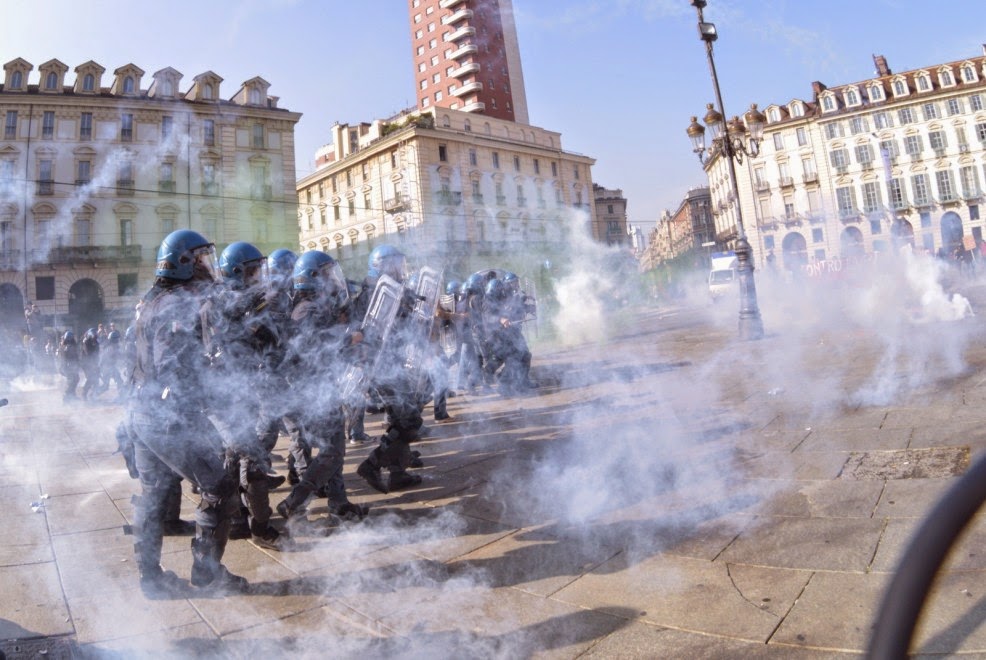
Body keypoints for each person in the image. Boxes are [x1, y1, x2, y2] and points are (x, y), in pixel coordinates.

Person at [128, 229, 247, 597]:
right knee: (221, 488)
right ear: (183, 264)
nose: (207, 267)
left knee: (153, 495)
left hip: (142, 412)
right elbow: (173, 366)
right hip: (167, 418)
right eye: (200, 260)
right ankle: (208, 573)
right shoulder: (177, 304)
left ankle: (150, 578)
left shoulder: (152, 300)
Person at [202, 241, 288, 550]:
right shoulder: (219, 301)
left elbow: (269, 341)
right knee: (252, 458)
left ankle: (236, 520)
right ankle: (260, 527)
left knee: (233, 457)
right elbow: (230, 310)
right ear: (239, 272)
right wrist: (259, 298)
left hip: (243, 393)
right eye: (254, 271)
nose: (259, 277)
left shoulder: (251, 305)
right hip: (223, 397)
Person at [277, 250, 368, 526]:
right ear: (313, 278)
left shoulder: (317, 306)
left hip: (321, 386)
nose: (332, 279)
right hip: (309, 390)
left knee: (334, 446)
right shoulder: (306, 310)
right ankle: (295, 501)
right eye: (327, 274)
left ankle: (339, 503)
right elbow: (311, 349)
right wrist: (347, 341)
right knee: (332, 451)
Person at [355, 245, 429, 494]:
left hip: (393, 363)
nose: (401, 269)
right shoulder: (375, 292)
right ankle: (372, 464)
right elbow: (377, 330)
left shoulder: (389, 290)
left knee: (401, 420)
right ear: (382, 264)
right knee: (409, 422)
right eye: (396, 264)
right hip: (382, 367)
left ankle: (398, 474)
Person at [79, 328, 101, 401]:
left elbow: (97, 353)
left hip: (93, 363)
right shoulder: (86, 342)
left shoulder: (96, 342)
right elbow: (88, 354)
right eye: (93, 336)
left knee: (96, 378)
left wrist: (97, 365)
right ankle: (84, 394)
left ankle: (93, 395)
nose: (95, 337)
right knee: (90, 378)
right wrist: (93, 365)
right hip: (86, 363)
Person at [57, 330, 80, 402]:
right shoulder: (68, 347)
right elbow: (70, 358)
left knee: (75, 379)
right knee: (73, 380)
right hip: (67, 367)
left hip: (67, 367)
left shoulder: (64, 346)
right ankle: (66, 396)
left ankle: (72, 395)